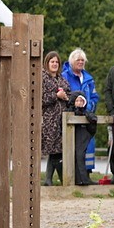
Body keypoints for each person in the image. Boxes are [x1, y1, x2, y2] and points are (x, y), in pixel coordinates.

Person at [62, 48, 99, 186]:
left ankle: (87, 175)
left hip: (87, 116)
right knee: (74, 147)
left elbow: (94, 96)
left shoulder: (89, 78)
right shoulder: (65, 76)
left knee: (88, 146)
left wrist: (90, 107)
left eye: (83, 60)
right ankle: (74, 178)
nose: (81, 62)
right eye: (78, 60)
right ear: (72, 61)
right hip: (73, 117)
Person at [40, 51, 72, 185]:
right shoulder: (42, 78)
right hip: (48, 120)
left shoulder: (62, 78)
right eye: (52, 61)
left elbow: (69, 94)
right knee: (53, 150)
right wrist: (56, 96)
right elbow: (40, 98)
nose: (54, 64)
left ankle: (49, 180)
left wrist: (66, 97)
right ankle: (58, 179)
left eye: (56, 62)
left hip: (61, 119)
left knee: (58, 150)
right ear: (47, 63)